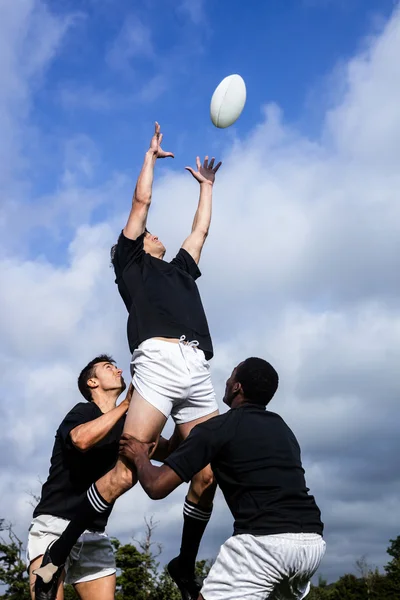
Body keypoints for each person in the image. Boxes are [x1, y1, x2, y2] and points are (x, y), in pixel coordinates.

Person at [34, 123, 222, 600]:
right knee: (123, 470)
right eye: (147, 235)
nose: (155, 235)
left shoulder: (180, 270)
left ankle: (184, 565)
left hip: (197, 365)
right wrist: (149, 159)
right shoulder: (130, 264)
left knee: (208, 473)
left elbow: (200, 230)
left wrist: (207, 188)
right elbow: (141, 206)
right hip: (157, 360)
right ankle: (60, 552)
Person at [119, 357, 326, 600]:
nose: (227, 381)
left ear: (237, 387)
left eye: (232, 375)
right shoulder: (283, 429)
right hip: (312, 544)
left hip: (264, 545)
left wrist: (141, 456)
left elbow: (156, 486)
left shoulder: (218, 428)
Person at [29, 354, 171, 600]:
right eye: (109, 367)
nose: (118, 370)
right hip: (53, 525)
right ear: (92, 383)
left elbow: (172, 451)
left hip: (93, 532)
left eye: (116, 367)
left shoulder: (127, 427)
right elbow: (81, 440)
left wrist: (174, 405)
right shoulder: (82, 412)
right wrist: (126, 405)